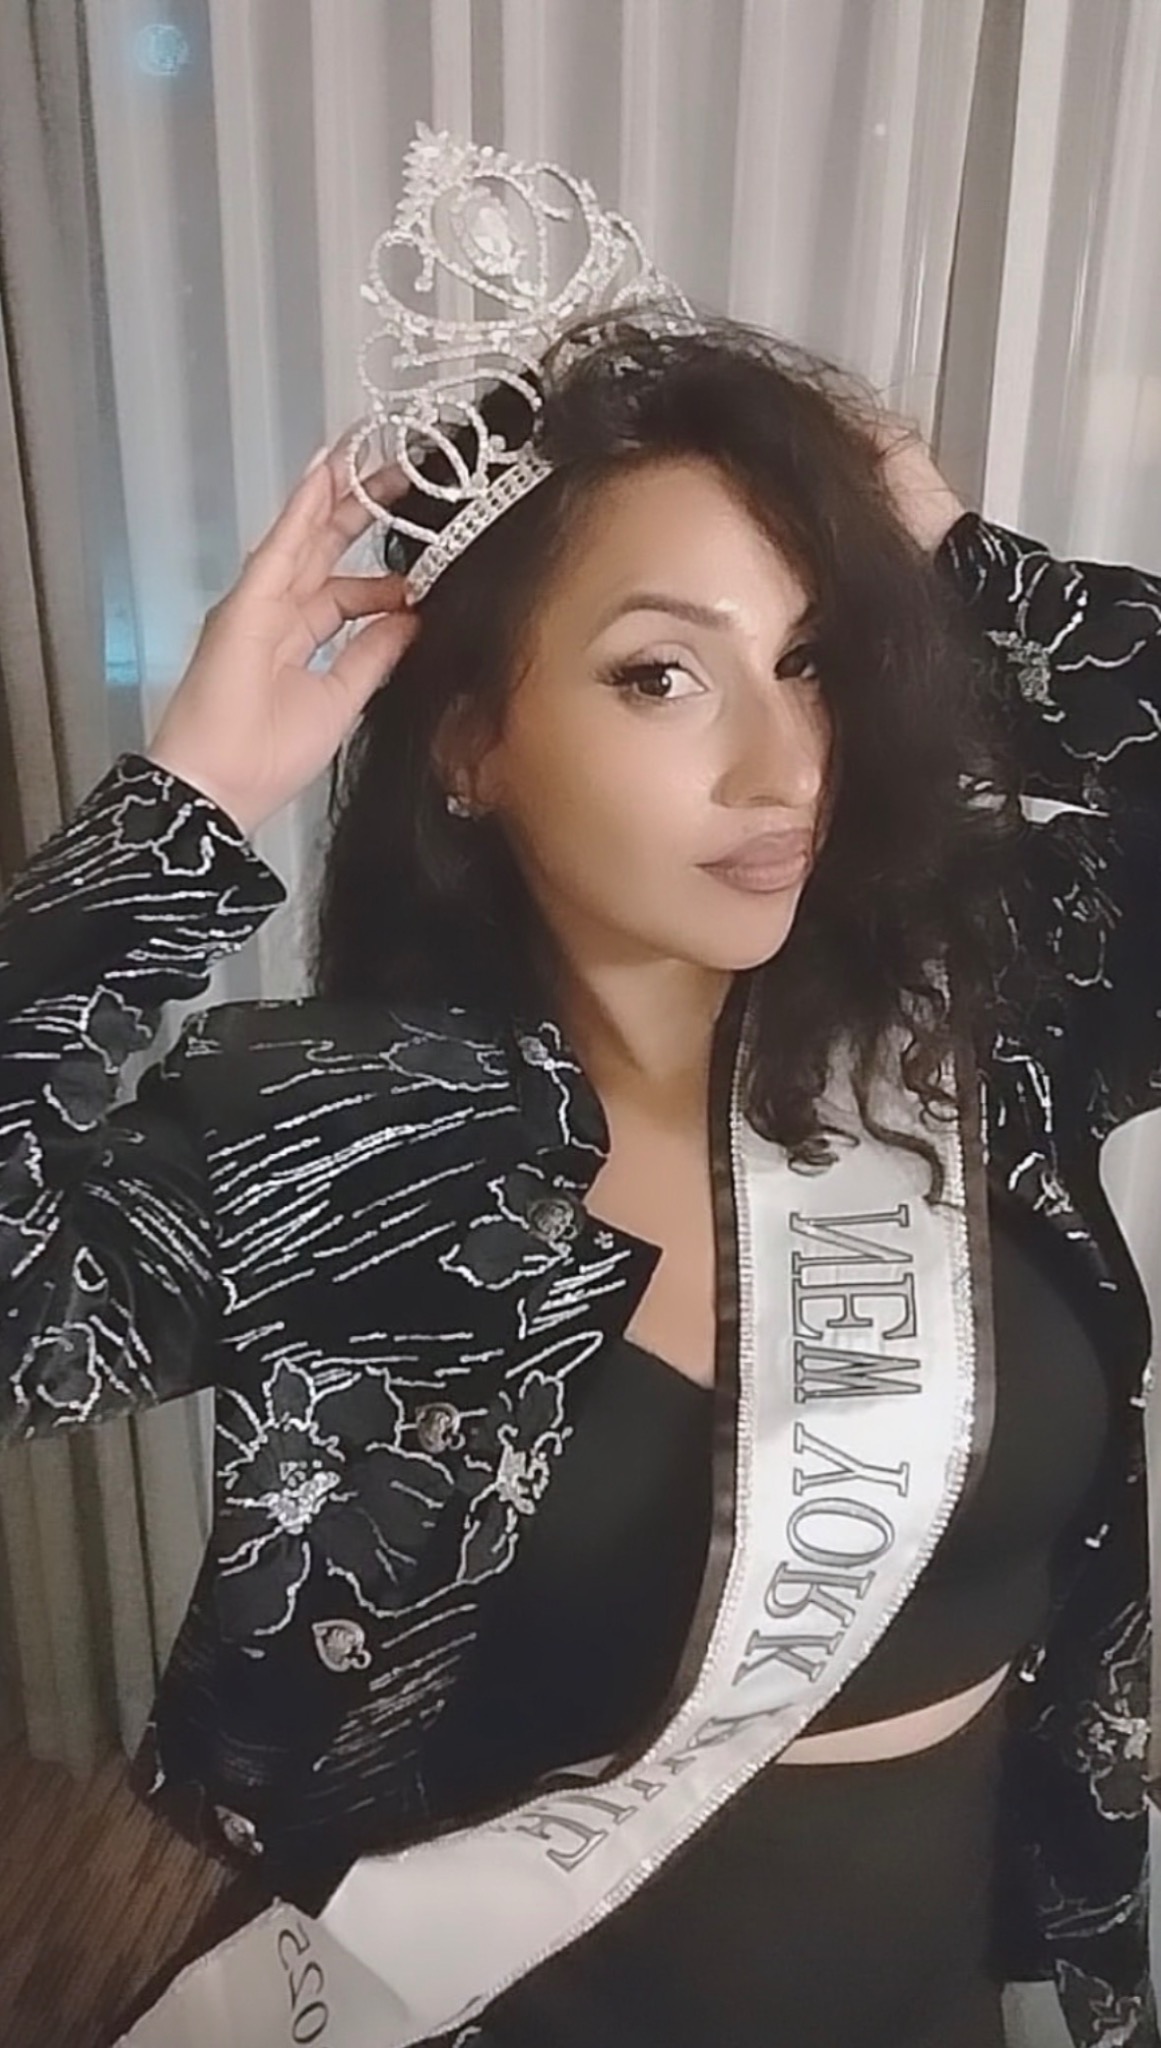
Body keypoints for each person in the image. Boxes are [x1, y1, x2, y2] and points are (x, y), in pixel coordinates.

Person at [2, 126, 1160, 2048]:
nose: (782, 765)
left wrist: (975, 572)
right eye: (657, 676)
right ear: (470, 744)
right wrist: (183, 805)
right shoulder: (343, 1133)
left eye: (814, 661)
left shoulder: (992, 1023)